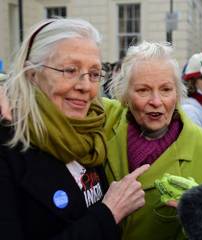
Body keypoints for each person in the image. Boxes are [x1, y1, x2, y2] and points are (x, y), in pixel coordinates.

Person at [0, 18, 149, 240]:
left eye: (94, 73)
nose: (85, 86)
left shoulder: (90, 131)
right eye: (70, 70)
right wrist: (108, 213)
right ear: (33, 74)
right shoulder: (8, 148)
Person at [103, 41, 202, 240]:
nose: (156, 101)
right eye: (143, 90)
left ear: (178, 94)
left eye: (166, 89)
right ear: (125, 95)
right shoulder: (108, 121)